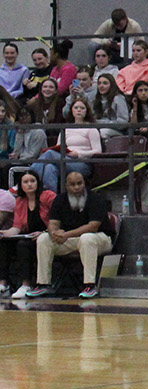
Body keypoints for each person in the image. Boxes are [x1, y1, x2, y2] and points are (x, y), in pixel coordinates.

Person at [22, 168, 112, 299]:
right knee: (43, 239)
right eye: (72, 184)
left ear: (84, 183)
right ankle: (43, 284)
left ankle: (90, 285)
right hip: (72, 240)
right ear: (66, 185)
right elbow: (53, 223)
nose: (76, 187)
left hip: (100, 239)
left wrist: (67, 235)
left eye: (79, 183)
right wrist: (54, 233)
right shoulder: (59, 200)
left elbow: (93, 227)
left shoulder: (96, 198)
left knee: (87, 238)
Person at [31, 97, 100, 195]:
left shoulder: (91, 129)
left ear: (87, 111)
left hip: (82, 164)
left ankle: (29, 177)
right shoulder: (65, 129)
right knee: (49, 168)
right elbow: (58, 146)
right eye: (76, 108)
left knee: (49, 153)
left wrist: (78, 154)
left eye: (82, 108)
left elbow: (97, 151)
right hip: (64, 159)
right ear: (72, 110)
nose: (79, 110)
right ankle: (50, 199)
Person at [2, 170, 52, 298]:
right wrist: (6, 233)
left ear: (37, 183)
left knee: (22, 245)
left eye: (32, 181)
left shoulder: (48, 196)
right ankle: (3, 284)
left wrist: (44, 232)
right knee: (3, 242)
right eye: (26, 182)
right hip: (29, 236)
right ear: (21, 185)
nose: (29, 184)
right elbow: (17, 226)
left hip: (48, 236)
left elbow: (58, 220)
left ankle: (26, 284)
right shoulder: (20, 200)